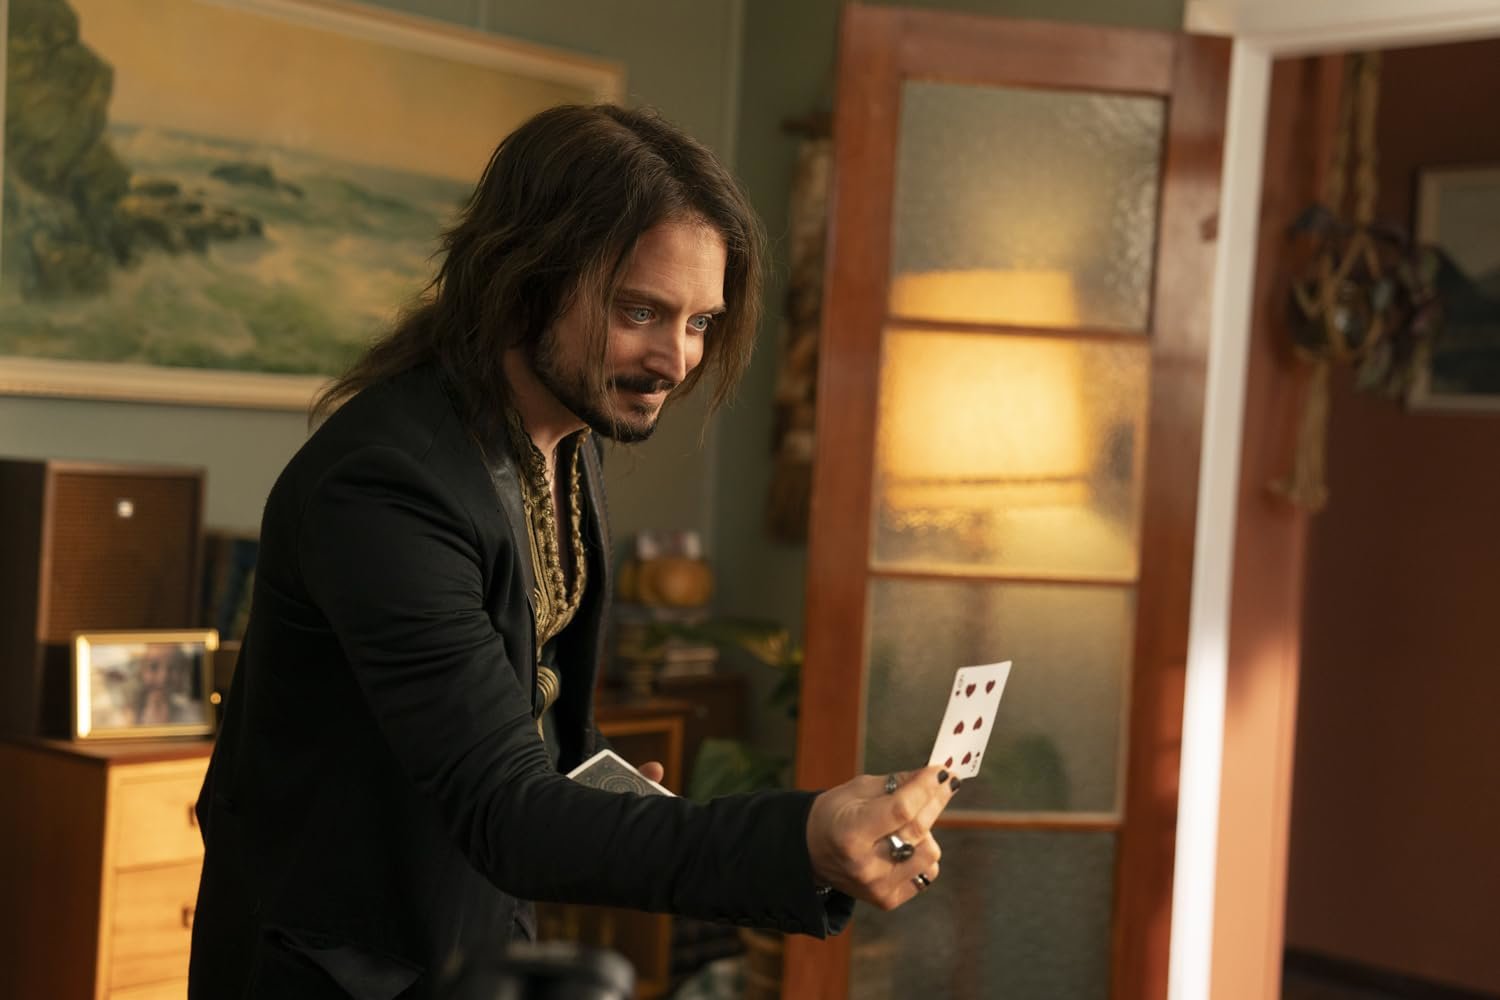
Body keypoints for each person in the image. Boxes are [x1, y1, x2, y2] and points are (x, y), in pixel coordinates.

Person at [188, 104, 958, 1000]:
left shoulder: (566, 436)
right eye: (642, 311)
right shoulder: (386, 487)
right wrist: (802, 838)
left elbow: (531, 732)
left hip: (473, 942)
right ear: (527, 282)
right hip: (338, 972)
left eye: (700, 322)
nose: (676, 358)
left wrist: (603, 790)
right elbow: (509, 813)